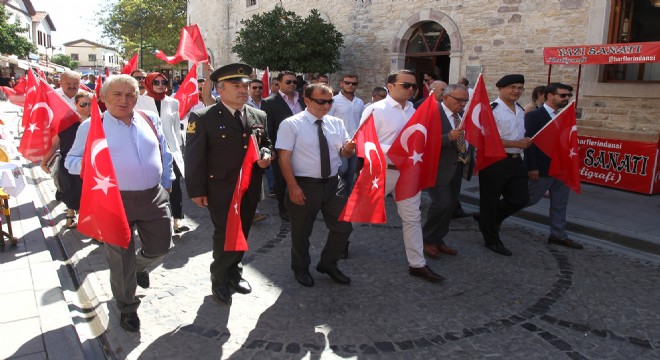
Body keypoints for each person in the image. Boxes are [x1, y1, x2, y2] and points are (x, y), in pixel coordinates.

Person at [65, 75, 174, 332]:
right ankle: (127, 307)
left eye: (130, 95)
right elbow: (71, 160)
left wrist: (167, 182)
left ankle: (140, 266)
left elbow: (164, 151)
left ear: (138, 97)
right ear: (103, 97)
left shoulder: (150, 119)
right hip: (113, 201)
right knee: (120, 260)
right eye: (117, 94)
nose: (124, 100)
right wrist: (96, 167)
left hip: (153, 196)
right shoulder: (92, 126)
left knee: (163, 246)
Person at [185, 63, 273, 303]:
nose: (243, 90)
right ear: (220, 90)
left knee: (242, 230)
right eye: (236, 86)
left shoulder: (258, 115)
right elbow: (193, 158)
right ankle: (220, 277)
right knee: (225, 233)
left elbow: (265, 142)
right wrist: (196, 190)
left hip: (250, 186)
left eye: (245, 85)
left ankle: (235, 272)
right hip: (221, 188)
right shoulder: (204, 117)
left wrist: (266, 154)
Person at [360, 69, 444, 283]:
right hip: (381, 171)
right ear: (390, 86)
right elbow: (366, 142)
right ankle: (340, 244)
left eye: (414, 86)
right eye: (406, 85)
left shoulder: (414, 111)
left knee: (412, 217)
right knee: (359, 212)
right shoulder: (375, 110)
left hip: (408, 173)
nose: (411, 89)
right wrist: (400, 151)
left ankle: (417, 264)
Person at [276, 83, 355, 287]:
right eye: (321, 101)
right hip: (304, 184)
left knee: (344, 227)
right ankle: (300, 268)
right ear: (307, 100)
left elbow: (343, 153)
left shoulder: (336, 123)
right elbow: (284, 158)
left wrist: (349, 149)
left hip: (332, 184)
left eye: (329, 101)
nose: (326, 105)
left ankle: (328, 263)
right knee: (301, 232)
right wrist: (292, 186)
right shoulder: (291, 124)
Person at [474, 74, 532, 256]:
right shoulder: (492, 110)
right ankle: (491, 239)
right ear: (500, 88)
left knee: (521, 198)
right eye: (512, 87)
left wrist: (522, 143)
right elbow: (486, 139)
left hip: (515, 160)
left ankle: (486, 219)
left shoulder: (520, 109)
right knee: (490, 202)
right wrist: (516, 144)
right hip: (495, 161)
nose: (516, 91)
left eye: (519, 88)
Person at [524, 83, 583, 249]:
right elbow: (529, 143)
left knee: (560, 203)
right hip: (542, 168)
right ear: (550, 95)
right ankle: (495, 215)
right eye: (562, 95)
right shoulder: (535, 116)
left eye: (568, 96)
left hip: (562, 168)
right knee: (526, 199)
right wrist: (532, 167)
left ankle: (558, 235)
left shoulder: (565, 115)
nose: (566, 99)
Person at [422, 84, 474, 258]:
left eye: (465, 101)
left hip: (457, 167)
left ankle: (438, 238)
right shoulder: (432, 113)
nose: (462, 104)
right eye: (459, 100)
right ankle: (427, 239)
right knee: (441, 203)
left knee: (451, 206)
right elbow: (422, 140)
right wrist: (447, 138)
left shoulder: (462, 116)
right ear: (445, 98)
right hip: (437, 168)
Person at [135, 72, 187, 233]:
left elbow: (176, 127)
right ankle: (153, 220)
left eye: (163, 81)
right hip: (148, 151)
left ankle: (177, 220)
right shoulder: (139, 102)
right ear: (149, 83)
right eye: (156, 82)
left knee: (175, 185)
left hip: (170, 151)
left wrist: (179, 147)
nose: (160, 85)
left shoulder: (173, 102)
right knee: (151, 186)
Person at [40, 91, 92, 229]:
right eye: (83, 104)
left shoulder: (98, 123)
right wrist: (44, 161)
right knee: (71, 192)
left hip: (88, 165)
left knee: (87, 195)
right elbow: (55, 143)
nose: (87, 107)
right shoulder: (66, 122)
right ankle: (71, 216)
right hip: (68, 164)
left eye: (90, 104)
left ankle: (88, 224)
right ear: (75, 104)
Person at [261, 71, 306, 221]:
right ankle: (283, 207)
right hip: (282, 148)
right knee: (281, 180)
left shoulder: (303, 100)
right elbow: (268, 128)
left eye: (294, 82)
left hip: (303, 147)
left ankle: (301, 203)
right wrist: (271, 149)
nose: (292, 84)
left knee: (301, 176)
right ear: (279, 83)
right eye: (288, 82)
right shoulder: (270, 102)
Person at [328, 74, 364, 195]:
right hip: (339, 142)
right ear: (341, 84)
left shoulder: (359, 102)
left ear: (357, 86)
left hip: (355, 142)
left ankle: (345, 197)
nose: (350, 85)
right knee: (342, 169)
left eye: (353, 83)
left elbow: (361, 122)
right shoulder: (334, 101)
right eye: (347, 82)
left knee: (351, 171)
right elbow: (328, 120)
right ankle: (334, 193)